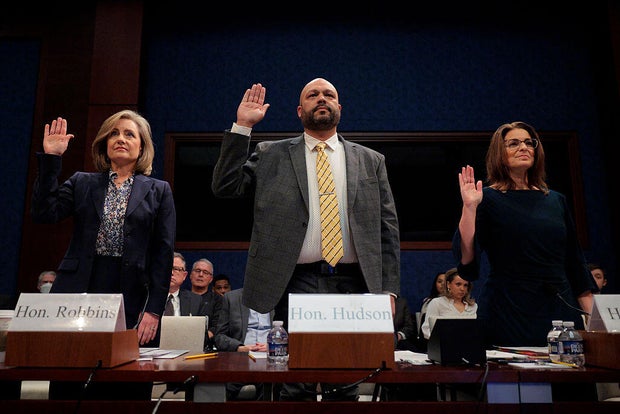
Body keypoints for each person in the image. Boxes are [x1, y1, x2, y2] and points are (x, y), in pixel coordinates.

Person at [211, 79, 401, 401]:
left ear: (340, 108)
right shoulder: (270, 154)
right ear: (300, 111)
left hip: (353, 283)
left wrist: (389, 290)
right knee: (294, 380)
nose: (321, 99)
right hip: (294, 281)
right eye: (312, 95)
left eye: (329, 95)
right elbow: (225, 187)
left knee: (346, 381)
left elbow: (387, 229)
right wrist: (242, 126)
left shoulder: (371, 160)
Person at [31, 111, 176, 400]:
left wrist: (154, 310)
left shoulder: (158, 190)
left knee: (124, 387)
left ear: (142, 146)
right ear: (104, 143)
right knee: (71, 380)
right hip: (80, 289)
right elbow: (43, 214)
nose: (120, 138)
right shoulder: (82, 182)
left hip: (132, 295)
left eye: (129, 134)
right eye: (114, 133)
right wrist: (51, 160)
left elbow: (163, 253)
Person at [454, 121, 597, 348]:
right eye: (513, 143)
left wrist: (595, 322)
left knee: (569, 379)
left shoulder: (556, 200)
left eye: (529, 142)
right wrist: (470, 207)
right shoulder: (486, 198)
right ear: (499, 154)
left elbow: (575, 262)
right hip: (508, 309)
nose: (524, 147)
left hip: (559, 308)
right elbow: (468, 261)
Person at [214, 288, 273, 400]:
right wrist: (239, 347)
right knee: (226, 384)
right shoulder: (232, 298)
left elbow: (291, 334)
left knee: (268, 382)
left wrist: (273, 346)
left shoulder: (278, 298)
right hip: (241, 359)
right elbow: (220, 337)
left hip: (270, 358)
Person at [421, 268, 477, 340]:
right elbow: (427, 330)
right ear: (448, 284)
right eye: (458, 284)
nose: (462, 289)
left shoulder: (473, 306)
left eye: (465, 285)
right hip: (443, 345)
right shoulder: (437, 303)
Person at [188, 258, 222, 350]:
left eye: (205, 272)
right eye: (197, 271)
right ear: (190, 275)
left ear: (211, 279)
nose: (201, 275)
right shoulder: (181, 297)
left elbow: (217, 326)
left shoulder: (218, 300)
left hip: (208, 346)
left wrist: (199, 340)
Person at [417, 271, 446, 350]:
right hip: (430, 342)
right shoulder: (429, 302)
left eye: (445, 281)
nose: (443, 284)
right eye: (440, 281)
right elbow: (423, 329)